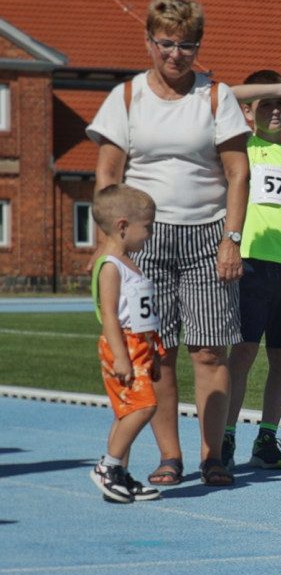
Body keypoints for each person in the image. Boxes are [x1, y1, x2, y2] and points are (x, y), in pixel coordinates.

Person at [87, 0, 252, 488]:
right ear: (149, 42)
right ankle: (169, 458)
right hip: (142, 242)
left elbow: (238, 174)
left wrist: (232, 238)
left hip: (207, 235)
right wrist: (106, 245)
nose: (176, 54)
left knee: (209, 351)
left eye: (187, 45)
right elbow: (108, 173)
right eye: (166, 43)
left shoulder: (216, 96)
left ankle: (213, 456)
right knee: (158, 352)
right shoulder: (127, 97)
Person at [223, 69, 281, 471]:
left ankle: (266, 438)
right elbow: (222, 97)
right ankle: (224, 435)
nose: (277, 110)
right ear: (249, 111)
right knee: (243, 352)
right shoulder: (240, 147)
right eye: (268, 103)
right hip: (251, 262)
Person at [89, 184, 164, 503]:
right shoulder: (110, 266)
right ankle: (108, 466)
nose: (149, 234)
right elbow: (109, 315)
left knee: (126, 412)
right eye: (146, 227)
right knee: (144, 406)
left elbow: (141, 313)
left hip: (142, 345)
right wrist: (121, 356)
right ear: (122, 226)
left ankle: (118, 475)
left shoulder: (129, 261)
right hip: (124, 346)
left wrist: (155, 354)